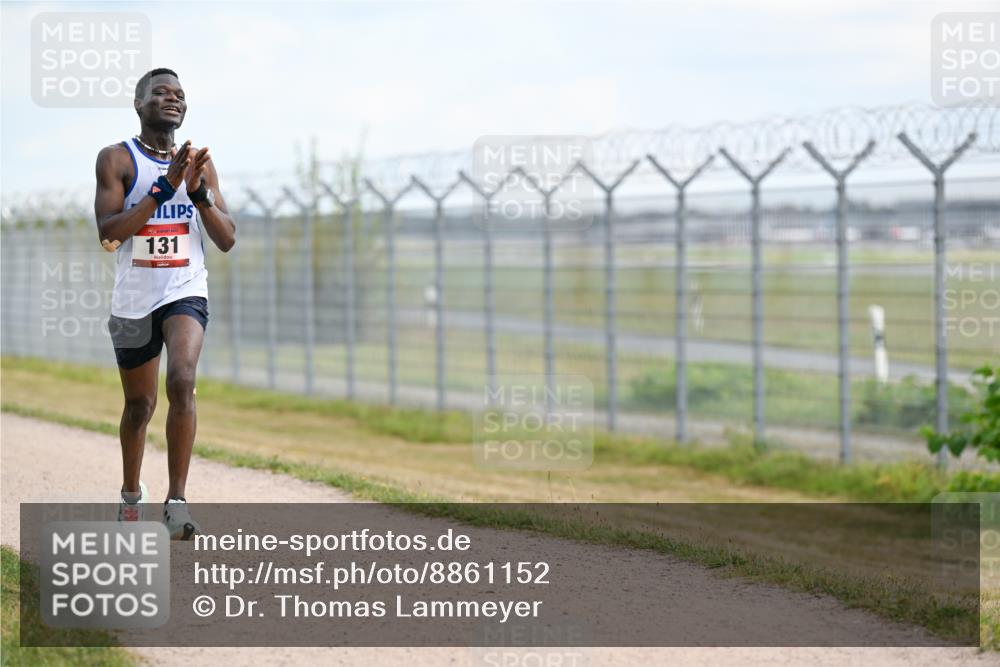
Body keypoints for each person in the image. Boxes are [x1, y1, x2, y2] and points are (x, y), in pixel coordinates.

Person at [93, 67, 236, 539]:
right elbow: (110, 235)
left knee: (183, 380)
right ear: (140, 104)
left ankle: (177, 502)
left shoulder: (199, 163)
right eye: (161, 92)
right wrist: (161, 190)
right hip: (134, 299)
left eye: (179, 93)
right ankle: (131, 496)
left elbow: (227, 239)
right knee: (139, 406)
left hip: (185, 289)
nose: (172, 99)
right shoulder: (116, 159)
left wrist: (197, 192)